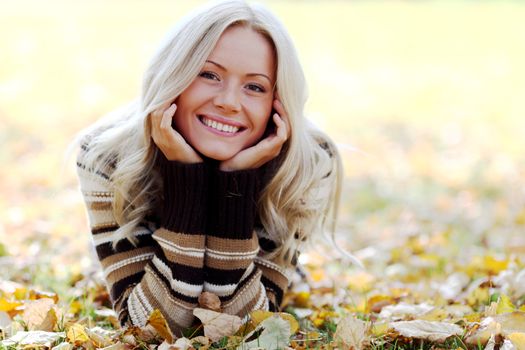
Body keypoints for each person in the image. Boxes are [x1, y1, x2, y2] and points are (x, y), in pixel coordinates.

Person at [75, 0, 342, 335]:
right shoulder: (106, 155)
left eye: (255, 86)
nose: (228, 102)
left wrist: (234, 184)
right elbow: (150, 330)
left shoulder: (308, 163)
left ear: (278, 102)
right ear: (175, 76)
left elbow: (247, 329)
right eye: (209, 74)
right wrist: (186, 177)